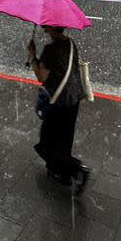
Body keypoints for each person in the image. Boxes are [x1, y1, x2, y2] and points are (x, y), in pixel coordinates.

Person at [27, 25, 90, 194]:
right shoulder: (71, 43)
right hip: (74, 98)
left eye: (45, 27)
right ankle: (61, 172)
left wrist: (33, 55)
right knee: (65, 139)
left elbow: (41, 76)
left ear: (50, 28)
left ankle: (76, 171)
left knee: (47, 140)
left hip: (59, 101)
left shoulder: (50, 49)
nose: (43, 28)